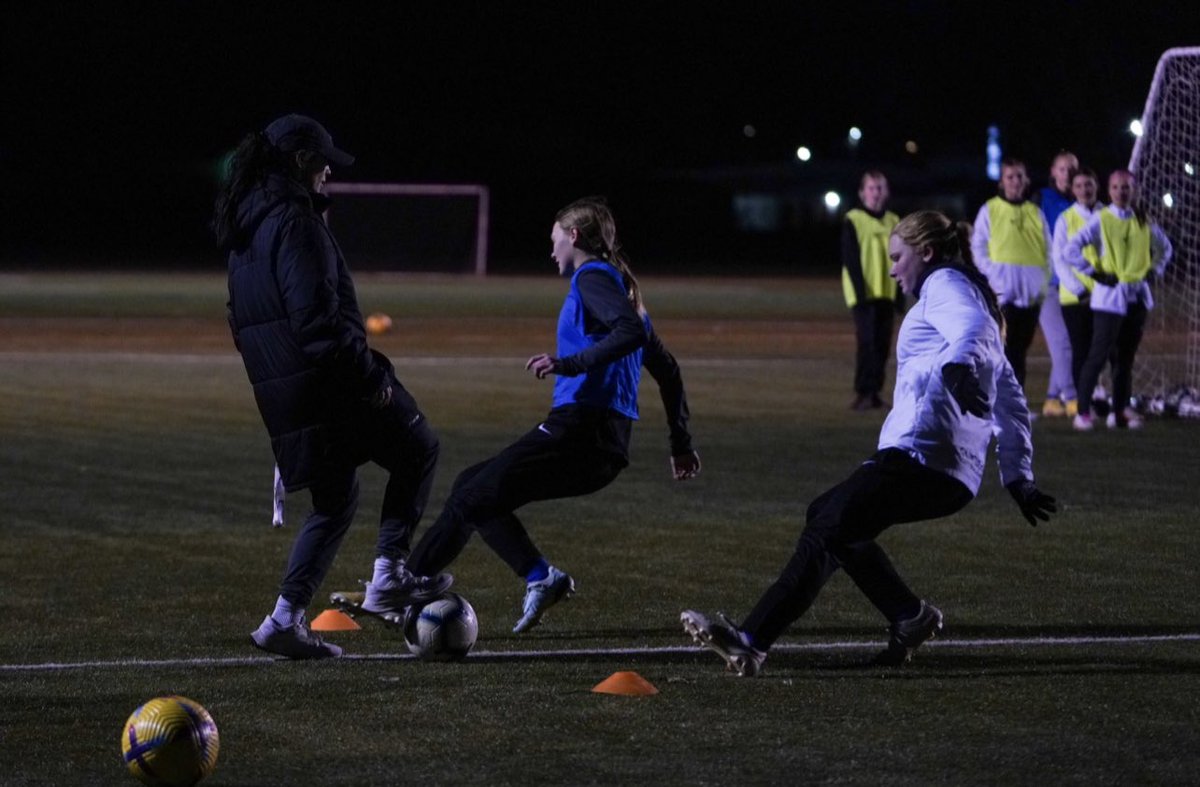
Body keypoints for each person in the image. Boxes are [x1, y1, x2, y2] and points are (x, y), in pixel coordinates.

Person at [681, 210, 1055, 677]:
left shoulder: (947, 287)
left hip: (923, 458)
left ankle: (752, 640)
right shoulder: (974, 299)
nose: (894, 268)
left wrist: (959, 365)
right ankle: (908, 615)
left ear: (927, 253)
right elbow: (1013, 402)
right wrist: (1018, 477)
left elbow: (972, 339)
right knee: (828, 515)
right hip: (950, 472)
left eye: (898, 257)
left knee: (831, 523)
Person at [404, 196, 701, 633]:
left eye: (555, 239)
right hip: (604, 445)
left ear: (574, 236)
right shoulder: (622, 289)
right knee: (475, 488)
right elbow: (668, 369)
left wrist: (569, 363)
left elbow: (630, 333)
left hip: (582, 431)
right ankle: (540, 577)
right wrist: (680, 442)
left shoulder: (592, 278)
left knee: (472, 494)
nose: (551, 251)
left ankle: (405, 584)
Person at [214, 114, 451, 659]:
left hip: (287, 392)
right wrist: (371, 381)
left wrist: (284, 399)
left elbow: (239, 321)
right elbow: (318, 324)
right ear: (300, 162)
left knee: (335, 500)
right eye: (323, 162)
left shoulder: (247, 224)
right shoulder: (294, 223)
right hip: (329, 384)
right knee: (419, 446)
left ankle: (282, 621)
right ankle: (390, 577)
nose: (328, 173)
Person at [1065, 169, 1173, 431]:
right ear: (1109, 191)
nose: (1121, 192)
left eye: (1126, 187)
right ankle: (1083, 413)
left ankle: (1119, 413)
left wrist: (1152, 270)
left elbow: (1165, 249)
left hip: (1136, 298)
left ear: (1134, 190)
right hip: (1108, 300)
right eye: (1115, 187)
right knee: (1098, 356)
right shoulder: (1102, 219)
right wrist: (1097, 274)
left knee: (1125, 359)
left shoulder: (1143, 220)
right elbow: (1071, 249)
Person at [971, 159, 1052, 392]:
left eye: (1019, 176)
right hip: (1003, 294)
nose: (1015, 181)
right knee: (1003, 349)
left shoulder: (1035, 212)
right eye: (1010, 177)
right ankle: (998, 406)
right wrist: (995, 277)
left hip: (1031, 293)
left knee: (1020, 350)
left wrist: (1041, 281)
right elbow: (978, 247)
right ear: (1002, 182)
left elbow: (1049, 250)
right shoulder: (990, 209)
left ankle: (1017, 404)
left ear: (1026, 180)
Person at [841, 171, 902, 411]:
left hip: (885, 292)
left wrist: (898, 294)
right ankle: (862, 392)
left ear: (885, 192)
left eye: (879, 188)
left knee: (883, 345)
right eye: (871, 188)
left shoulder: (894, 221)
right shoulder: (853, 219)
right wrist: (859, 292)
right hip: (863, 294)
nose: (876, 192)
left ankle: (875, 392)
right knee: (866, 343)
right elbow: (851, 259)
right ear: (862, 192)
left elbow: (901, 258)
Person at [1051, 167, 1103, 406]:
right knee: (1080, 350)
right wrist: (1078, 288)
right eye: (1079, 186)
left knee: (1102, 349)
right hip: (1076, 298)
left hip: (1105, 295)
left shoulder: (1108, 215)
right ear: (1073, 190)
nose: (1084, 190)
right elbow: (1059, 259)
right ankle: (1082, 403)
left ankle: (1099, 394)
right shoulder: (1066, 218)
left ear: (1096, 186)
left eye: (1088, 184)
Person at [1034, 152, 1080, 417]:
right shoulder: (1042, 200)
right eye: (1062, 169)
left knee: (1069, 343)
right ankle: (1073, 398)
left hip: (1074, 284)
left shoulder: (1082, 201)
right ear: (1053, 171)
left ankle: (1052, 400)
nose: (1067, 173)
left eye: (1071, 168)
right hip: (1047, 284)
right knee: (1062, 343)